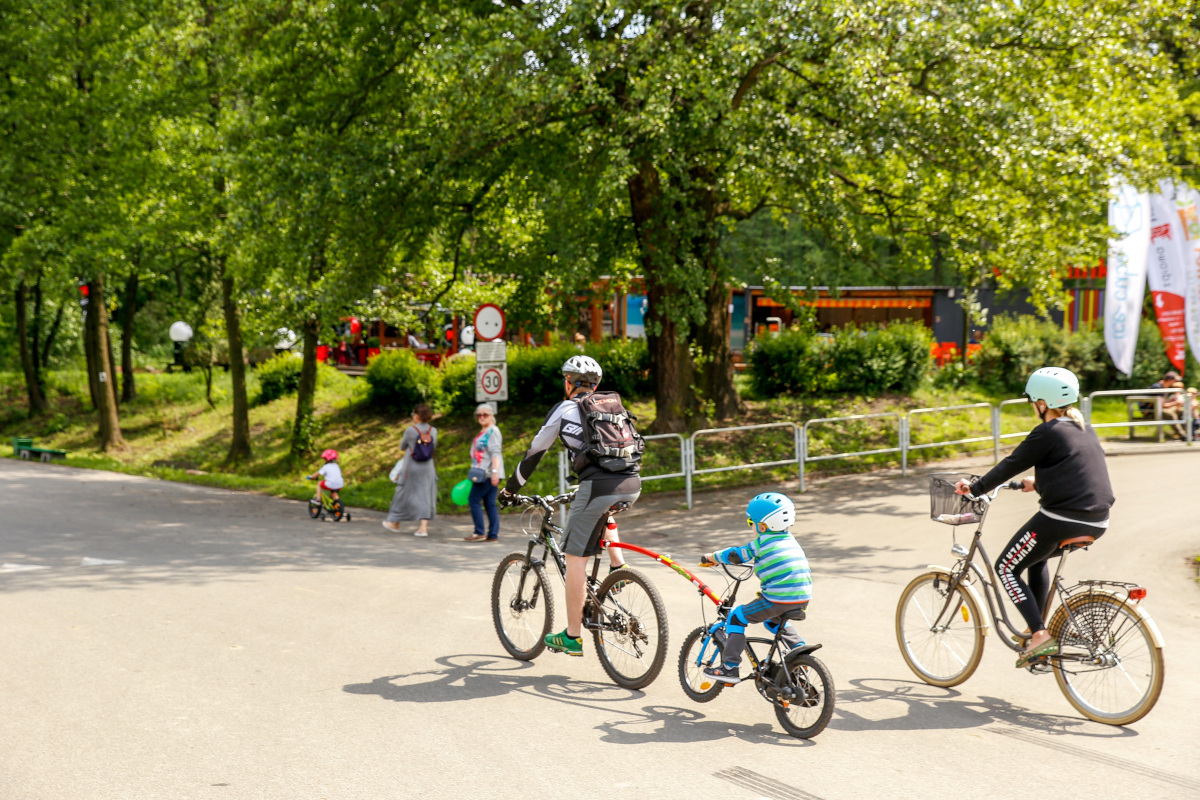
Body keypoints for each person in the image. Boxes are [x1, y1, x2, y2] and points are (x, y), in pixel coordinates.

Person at [955, 367, 1114, 668]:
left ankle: (1040, 636)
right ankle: (1034, 628)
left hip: (1061, 519)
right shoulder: (1083, 428)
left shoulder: (1047, 432)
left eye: (1032, 401)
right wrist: (1038, 484)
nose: (1032, 407)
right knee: (1035, 559)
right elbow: (1079, 473)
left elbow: (1009, 465)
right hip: (1098, 519)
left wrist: (974, 488)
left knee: (1005, 567)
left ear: (1043, 403)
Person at [498, 355, 639, 657]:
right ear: (596, 384)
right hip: (632, 483)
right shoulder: (611, 405)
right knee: (603, 512)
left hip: (598, 486)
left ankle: (573, 636)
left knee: (574, 557)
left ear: (568, 382)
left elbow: (534, 453)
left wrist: (510, 491)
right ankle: (618, 568)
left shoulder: (565, 408)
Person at [698, 493, 811, 685]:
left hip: (776, 599)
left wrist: (712, 557)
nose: (750, 526)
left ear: (762, 526)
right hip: (802, 597)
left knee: (736, 617)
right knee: (774, 620)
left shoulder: (761, 543)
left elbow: (734, 555)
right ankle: (797, 647)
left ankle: (729, 667)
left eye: (750, 521)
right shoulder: (790, 540)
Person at [382, 403, 438, 537]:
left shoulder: (410, 431)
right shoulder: (433, 430)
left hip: (411, 466)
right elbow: (433, 447)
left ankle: (395, 521)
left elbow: (403, 446)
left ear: (417, 416)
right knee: (426, 494)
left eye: (413, 414)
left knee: (403, 492)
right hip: (428, 467)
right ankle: (423, 528)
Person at [464, 403, 504, 542]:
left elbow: (495, 453)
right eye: (479, 415)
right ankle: (492, 535)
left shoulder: (493, 431)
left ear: (491, 416)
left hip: (486, 473)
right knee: (489, 503)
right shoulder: (484, 432)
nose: (481, 417)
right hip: (483, 471)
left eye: (485, 414)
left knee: (473, 500)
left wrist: (494, 472)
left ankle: (479, 532)